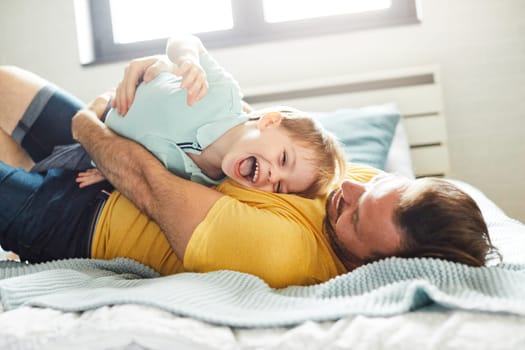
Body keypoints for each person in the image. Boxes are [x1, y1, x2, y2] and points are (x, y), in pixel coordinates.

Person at [0, 61, 499, 289]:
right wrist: (151, 74)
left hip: (78, 218)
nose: (344, 188)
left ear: (371, 265)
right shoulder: (347, 183)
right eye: (376, 184)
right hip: (116, 153)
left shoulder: (283, 253)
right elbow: (243, 131)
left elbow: (149, 184)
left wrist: (90, 121)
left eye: (354, 211)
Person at [36, 34, 346, 198]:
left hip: (92, 153)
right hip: (97, 111)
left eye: (280, 187)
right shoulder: (221, 94)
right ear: (269, 122)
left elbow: (144, 167)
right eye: (283, 160)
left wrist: (110, 170)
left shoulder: (208, 181)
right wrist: (187, 59)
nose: (272, 178)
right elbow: (184, 40)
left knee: (33, 173)